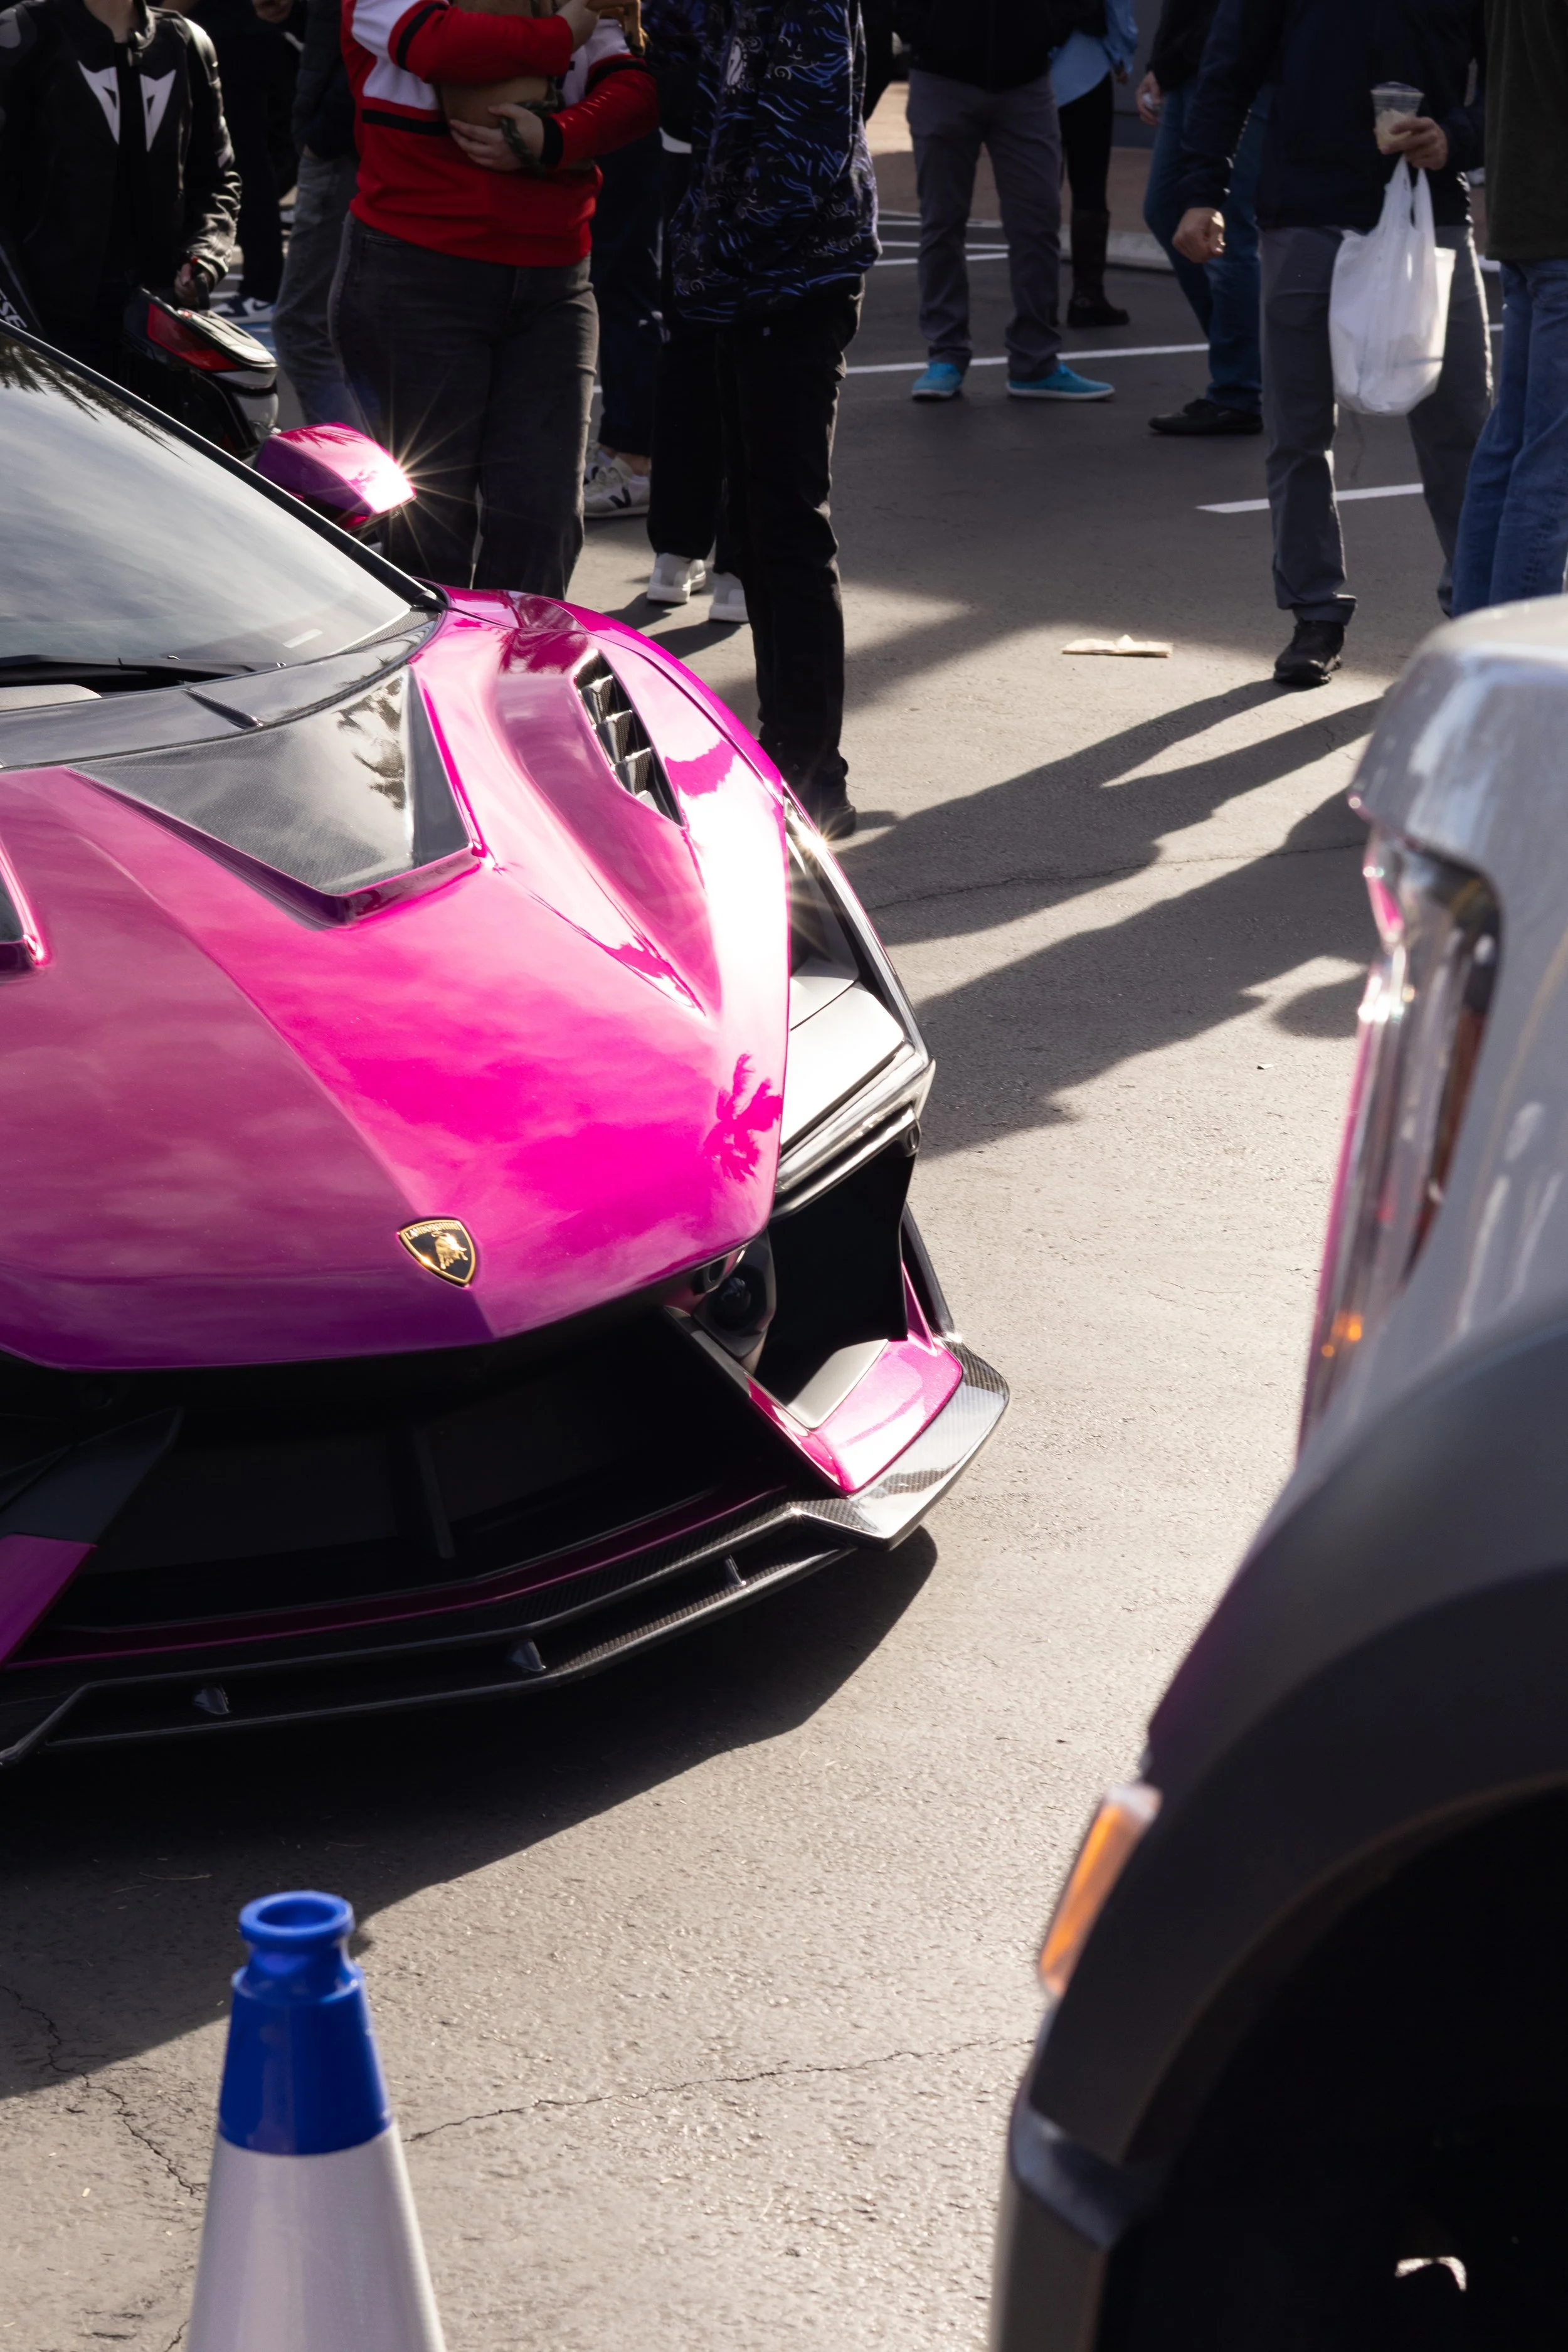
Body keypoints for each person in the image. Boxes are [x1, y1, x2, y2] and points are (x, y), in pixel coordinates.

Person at [1173, 0, 1490, 686]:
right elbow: (1226, 74)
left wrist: (1459, 136)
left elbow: (1516, 82)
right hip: (1304, 212)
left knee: (1461, 428)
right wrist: (1201, 193)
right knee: (1298, 428)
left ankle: (1476, 618)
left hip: (1430, 214)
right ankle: (1314, 612)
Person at [330, 0, 655, 595]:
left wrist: (553, 138)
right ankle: (436, 662)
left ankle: (521, 660)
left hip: (555, 275)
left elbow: (633, 87)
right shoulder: (568, 20)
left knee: (543, 522)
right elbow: (435, 44)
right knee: (428, 528)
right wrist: (562, 32)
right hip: (418, 268)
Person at [664, 0, 875, 840]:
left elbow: (805, 149)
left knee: (787, 528)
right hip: (739, 280)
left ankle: (814, 775)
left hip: (795, 280)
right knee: (755, 525)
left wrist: (712, 250)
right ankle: (782, 750)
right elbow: (677, 51)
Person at [0, 0, 238, 373]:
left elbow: (217, 180)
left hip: (158, 322)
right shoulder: (20, 35)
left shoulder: (185, 41)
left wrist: (204, 258)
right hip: (46, 320)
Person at [894, 0, 1113, 404]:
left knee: (1038, 221)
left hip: (1026, 82)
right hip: (941, 78)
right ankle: (946, 353)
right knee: (942, 221)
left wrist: (1045, 29)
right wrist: (925, 31)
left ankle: (1036, 362)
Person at [1451, 0, 1568, 614]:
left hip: (1524, 219)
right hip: (1553, 227)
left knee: (1511, 445)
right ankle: (1510, 657)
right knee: (1549, 463)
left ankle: (1476, 642)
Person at [641, 0, 745, 620]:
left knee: (688, 355)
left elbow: (654, 37)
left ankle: (679, 552)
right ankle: (734, 566)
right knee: (753, 364)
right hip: (772, 159)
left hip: (691, 149)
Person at [1136, 0, 1265, 434]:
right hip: (1189, 70)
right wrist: (1160, 66)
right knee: (1165, 210)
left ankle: (1238, 391)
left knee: (1225, 231)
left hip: (1237, 67)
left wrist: (1171, 62)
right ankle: (1248, 361)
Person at [254, 0, 361, 423]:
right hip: (349, 138)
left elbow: (376, 36)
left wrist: (324, 133)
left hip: (345, 144)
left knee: (304, 328)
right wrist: (298, 14)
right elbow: (342, 28)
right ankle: (362, 455)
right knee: (345, 326)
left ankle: (350, 460)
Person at [187, 0, 297, 321]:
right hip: (236, 35)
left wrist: (160, 20)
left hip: (229, 39)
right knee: (247, 162)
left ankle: (264, 288)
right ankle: (263, 286)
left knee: (242, 164)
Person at [581, 125, 662, 516]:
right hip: (617, 137)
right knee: (614, 293)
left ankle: (637, 463)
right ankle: (616, 447)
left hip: (630, 130)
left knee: (627, 291)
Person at [1052, 0, 1138, 329]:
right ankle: (1086, 297)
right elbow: (1118, 7)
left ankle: (1037, 301)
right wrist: (1121, 53)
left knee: (1038, 189)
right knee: (1089, 183)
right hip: (1086, 66)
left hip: (1031, 71)